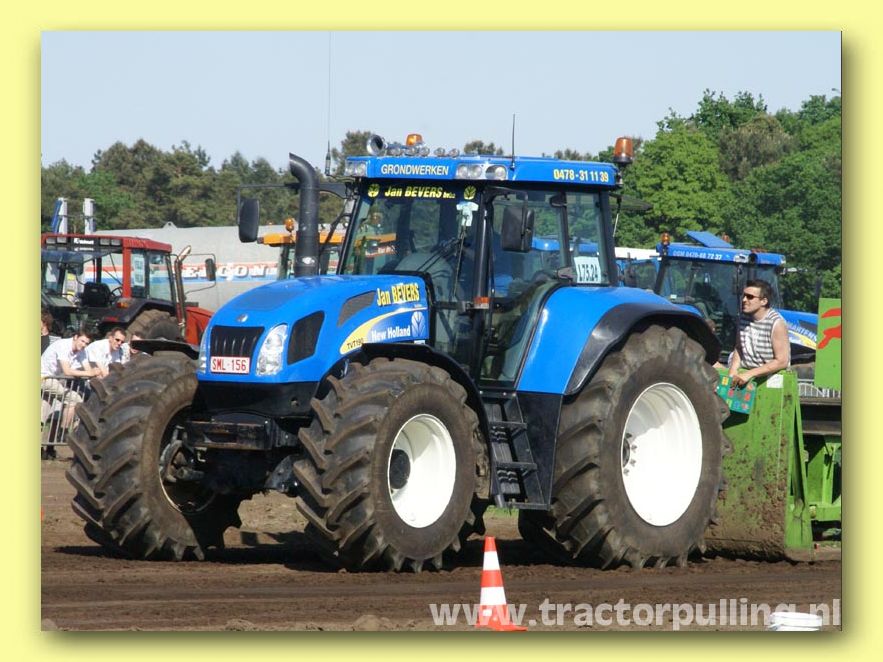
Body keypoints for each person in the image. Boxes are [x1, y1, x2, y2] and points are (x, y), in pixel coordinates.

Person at [728, 279, 790, 387]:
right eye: (744, 295)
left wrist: (749, 374)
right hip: (746, 376)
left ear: (764, 301)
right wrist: (733, 371)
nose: (744, 300)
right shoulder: (742, 318)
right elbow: (739, 347)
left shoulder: (776, 323)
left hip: (772, 380)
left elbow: (782, 361)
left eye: (750, 297)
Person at [40, 327, 101, 430]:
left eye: (86, 343)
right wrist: (90, 373)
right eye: (82, 341)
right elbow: (67, 371)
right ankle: (62, 432)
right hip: (43, 377)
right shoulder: (63, 345)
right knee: (74, 398)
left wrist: (95, 373)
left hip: (53, 380)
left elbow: (88, 370)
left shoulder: (82, 351)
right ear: (75, 337)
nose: (84, 345)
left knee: (46, 403)